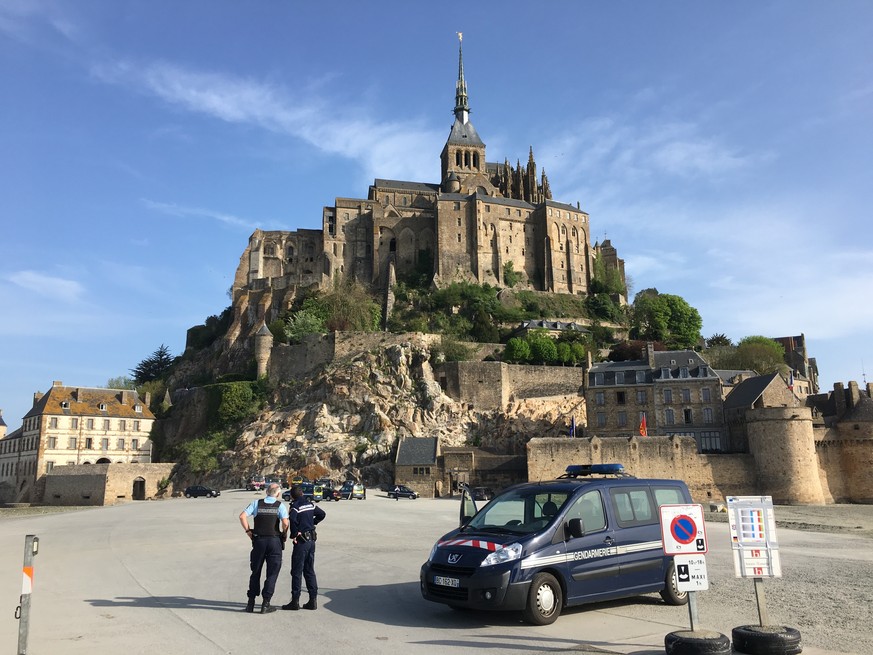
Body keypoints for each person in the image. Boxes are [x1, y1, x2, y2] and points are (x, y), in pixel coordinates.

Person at [239, 482, 289, 614]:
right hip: (274, 542)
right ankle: (266, 603)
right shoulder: (280, 506)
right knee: (272, 573)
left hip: (259, 541)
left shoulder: (256, 503)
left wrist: (248, 531)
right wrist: (284, 533)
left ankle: (250, 603)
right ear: (278, 493)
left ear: (267, 492)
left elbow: (242, 516)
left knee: (255, 571)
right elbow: (285, 522)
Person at [282, 485, 326, 610]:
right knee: (309, 570)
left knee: (296, 571)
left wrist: (295, 534)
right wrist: (313, 522)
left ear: (292, 496)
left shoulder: (295, 507)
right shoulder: (310, 504)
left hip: (301, 542)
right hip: (311, 541)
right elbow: (322, 514)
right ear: (302, 493)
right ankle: (313, 600)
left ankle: (295, 601)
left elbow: (292, 519)